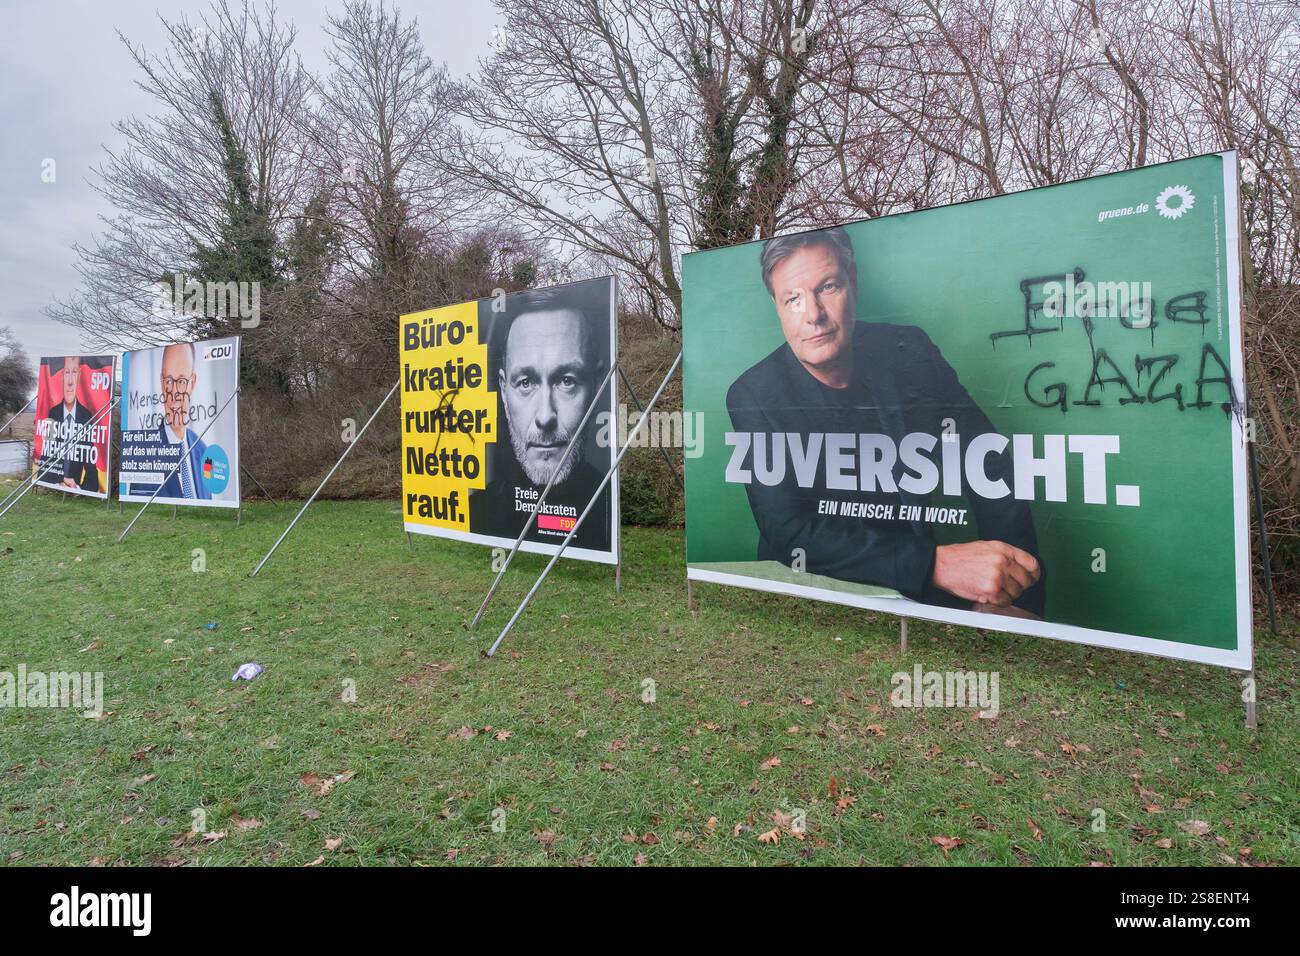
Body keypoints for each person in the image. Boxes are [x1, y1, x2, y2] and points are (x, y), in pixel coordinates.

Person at [726, 227, 1045, 617]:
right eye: (793, 299)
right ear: (776, 306)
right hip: (810, 594)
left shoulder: (910, 351)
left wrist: (1012, 594)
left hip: (916, 593)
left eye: (827, 287)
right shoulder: (752, 395)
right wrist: (933, 564)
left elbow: (990, 466)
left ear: (853, 282)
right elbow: (789, 531)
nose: (813, 315)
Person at [469, 288, 608, 543]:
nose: (545, 417)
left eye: (567, 381)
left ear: (597, 385)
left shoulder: (607, 516)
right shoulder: (476, 515)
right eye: (525, 382)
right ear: (503, 391)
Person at [149, 343, 211, 500]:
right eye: (169, 381)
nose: (175, 392)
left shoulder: (203, 451)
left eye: (182, 381)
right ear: (161, 383)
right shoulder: (145, 453)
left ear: (192, 383)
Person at [40, 356, 100, 493]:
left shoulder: (86, 416)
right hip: (54, 485)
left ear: (79, 376)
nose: (70, 382)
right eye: (67, 373)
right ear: (62, 376)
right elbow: (45, 457)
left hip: (75, 488)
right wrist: (57, 482)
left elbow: (91, 470)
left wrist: (78, 489)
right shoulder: (53, 413)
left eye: (74, 372)